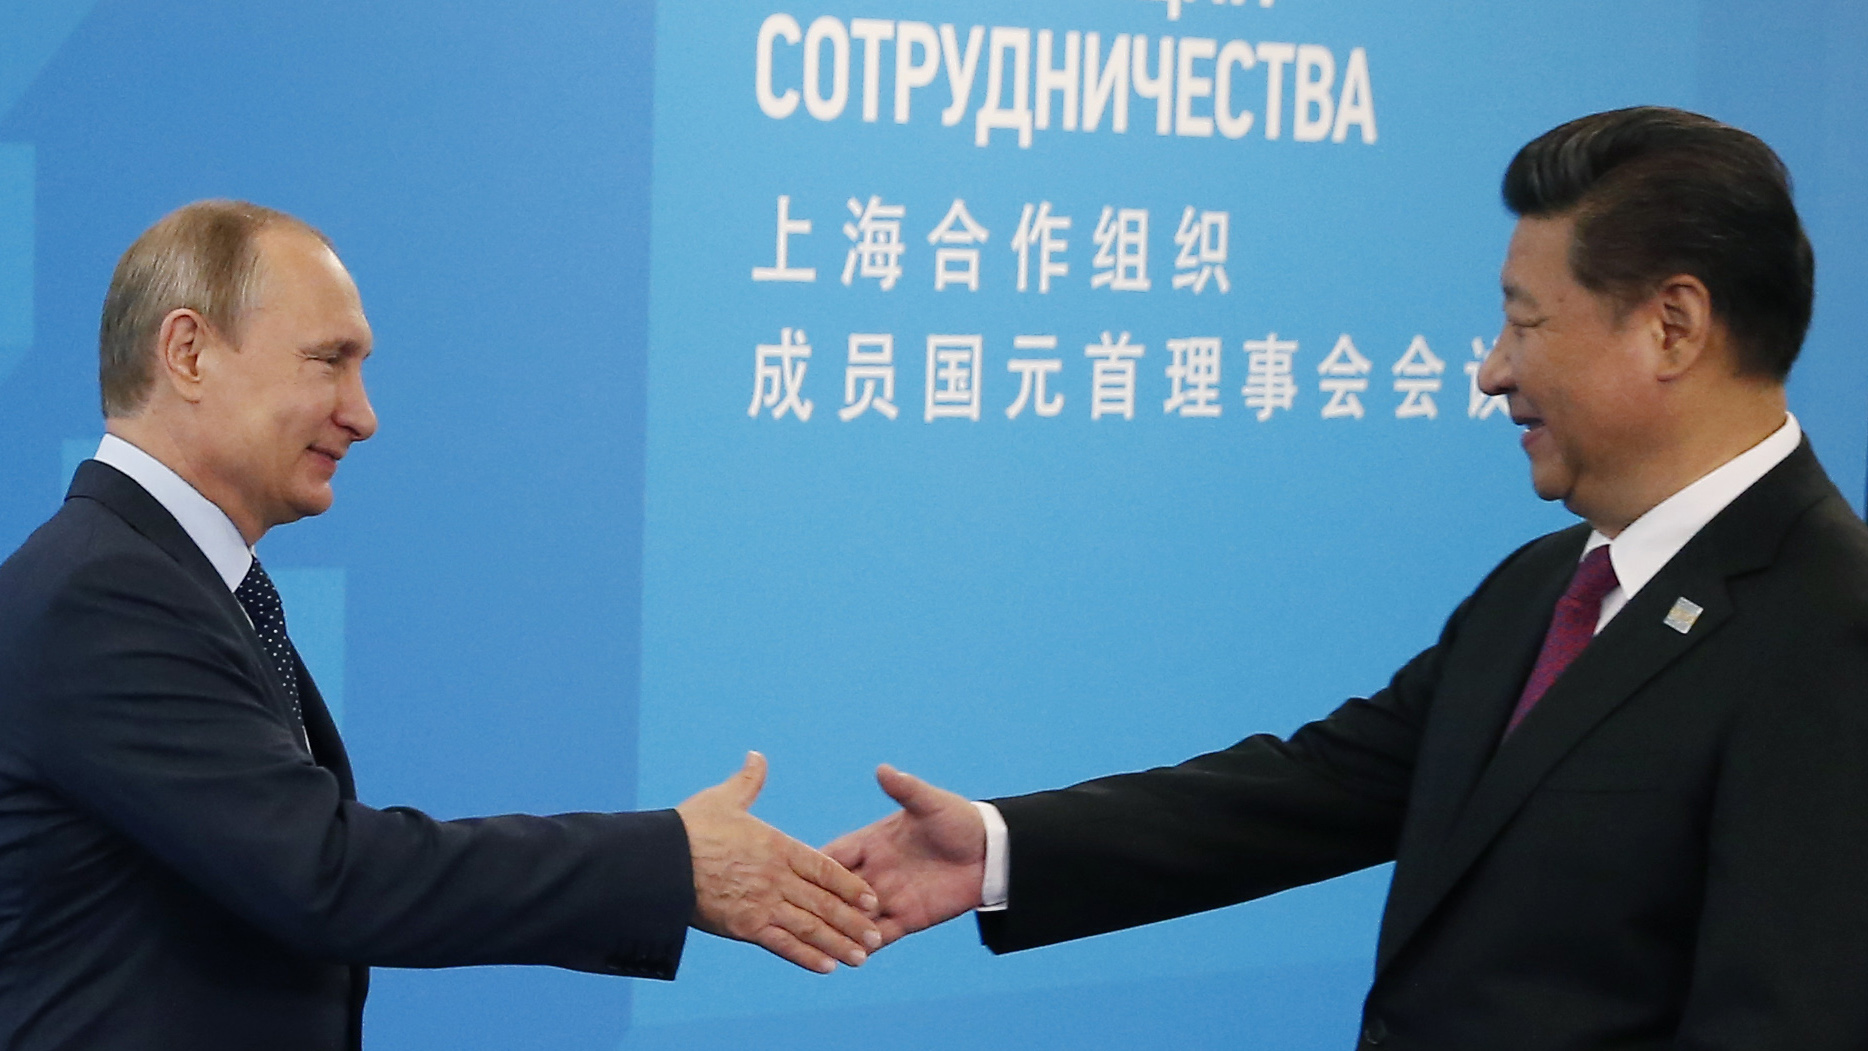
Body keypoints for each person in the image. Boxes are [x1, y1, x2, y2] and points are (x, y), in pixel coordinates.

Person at [826, 106, 1868, 1048]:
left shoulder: (1831, 626)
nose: (1492, 370)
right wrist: (997, 849)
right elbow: (1320, 788)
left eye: (1525, 322)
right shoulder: (1545, 585)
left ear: (1672, 327)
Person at [0, 201, 882, 1051]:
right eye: (328, 360)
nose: (363, 414)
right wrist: (671, 862)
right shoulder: (103, 591)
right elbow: (328, 874)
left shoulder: (161, 577)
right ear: (188, 353)